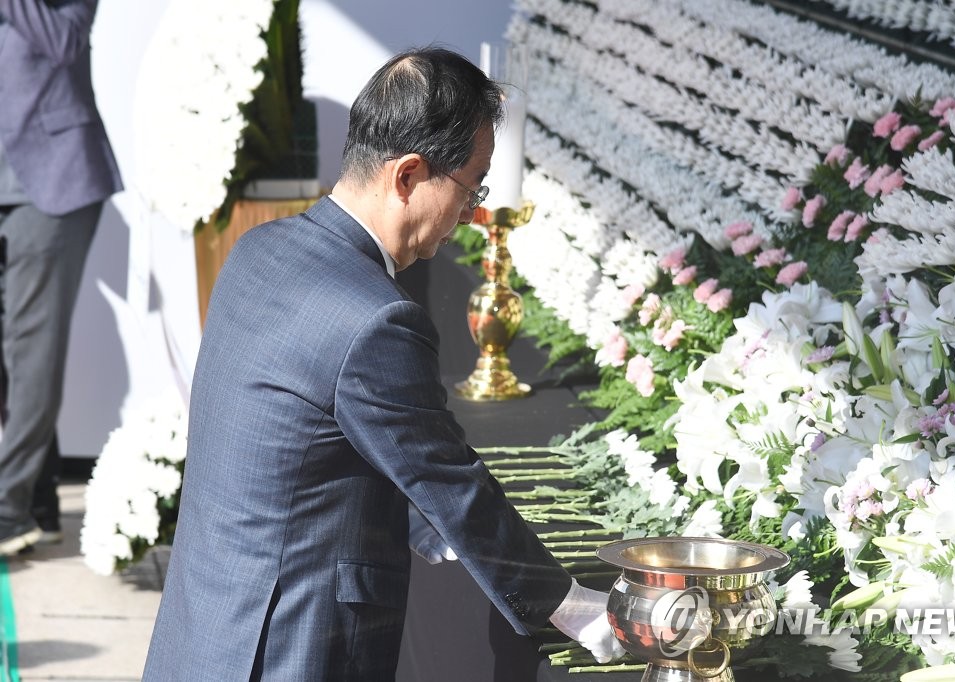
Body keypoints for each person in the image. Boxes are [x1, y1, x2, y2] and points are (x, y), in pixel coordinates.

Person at [142, 47, 623, 680]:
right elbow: (452, 484)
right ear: (407, 175)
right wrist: (571, 605)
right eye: (471, 186)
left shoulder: (257, 252)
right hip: (289, 645)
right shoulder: (376, 319)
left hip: (203, 629)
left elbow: (294, 444)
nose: (474, 213)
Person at [0, 0, 122, 556]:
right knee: (14, 355)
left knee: (31, 349)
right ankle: (39, 501)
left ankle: (7, 508)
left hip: (50, 180)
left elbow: (65, 42)